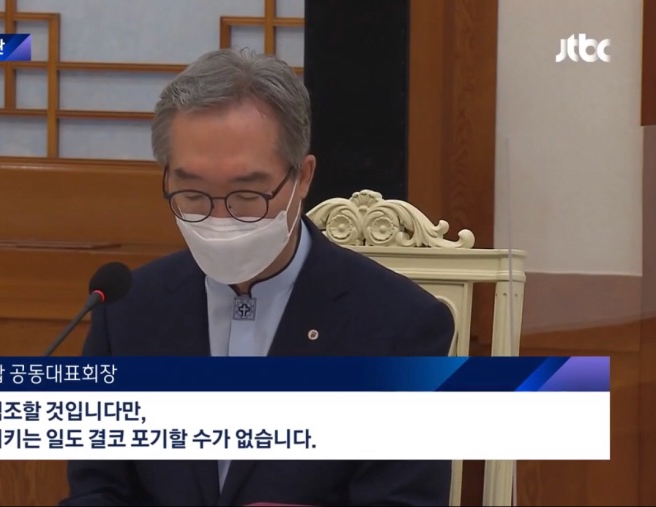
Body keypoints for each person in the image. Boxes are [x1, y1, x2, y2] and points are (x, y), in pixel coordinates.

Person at [59, 48, 454, 506]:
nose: (219, 218)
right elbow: (97, 489)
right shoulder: (127, 310)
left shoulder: (399, 326)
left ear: (302, 178)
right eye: (193, 193)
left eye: (247, 194)